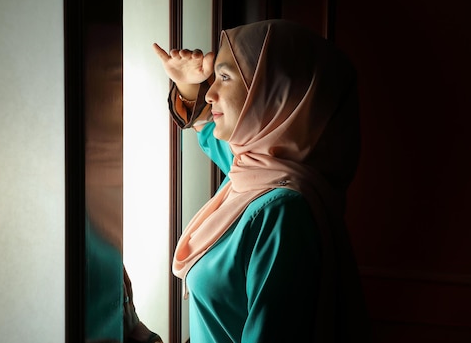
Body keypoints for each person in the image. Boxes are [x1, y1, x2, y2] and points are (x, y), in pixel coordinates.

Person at [153, 19, 371, 343]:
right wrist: (189, 86)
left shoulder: (281, 212)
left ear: (273, 94)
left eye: (224, 77)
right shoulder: (263, 168)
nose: (210, 92)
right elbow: (210, 131)